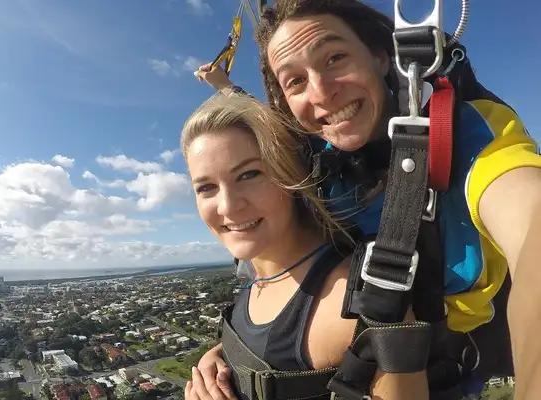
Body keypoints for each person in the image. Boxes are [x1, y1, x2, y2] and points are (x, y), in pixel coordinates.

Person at [192, 0, 541, 398]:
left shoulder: (465, 137)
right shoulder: (313, 157)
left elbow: (532, 227)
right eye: (295, 82)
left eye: (335, 57)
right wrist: (233, 354)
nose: (322, 92)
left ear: (380, 58)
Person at [181, 91, 426, 400]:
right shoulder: (257, 276)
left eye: (249, 174)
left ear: (289, 174)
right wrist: (216, 358)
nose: (228, 206)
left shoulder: (353, 309)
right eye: (206, 187)